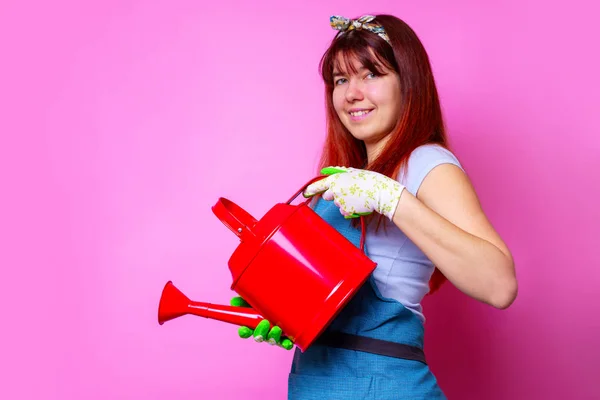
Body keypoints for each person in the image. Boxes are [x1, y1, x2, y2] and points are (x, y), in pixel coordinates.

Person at [231, 13, 518, 399]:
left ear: (408, 83)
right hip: (315, 383)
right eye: (341, 80)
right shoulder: (338, 180)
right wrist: (285, 314)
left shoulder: (426, 164)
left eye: (371, 75)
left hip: (383, 385)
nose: (351, 94)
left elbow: (499, 286)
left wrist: (391, 198)